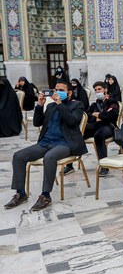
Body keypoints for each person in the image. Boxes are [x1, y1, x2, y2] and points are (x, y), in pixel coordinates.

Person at [4, 81, 87, 211]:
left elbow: (72, 121)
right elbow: (37, 122)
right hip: (46, 142)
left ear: (69, 93)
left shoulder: (77, 105)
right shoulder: (51, 106)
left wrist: (60, 103)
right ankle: (20, 193)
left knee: (49, 157)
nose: (57, 92)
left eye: (61, 90)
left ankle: (45, 196)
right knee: (18, 156)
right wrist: (40, 105)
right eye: (56, 89)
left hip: (65, 143)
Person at [65, 81, 119, 177]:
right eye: (96, 90)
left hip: (108, 126)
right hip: (95, 125)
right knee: (76, 132)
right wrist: (100, 116)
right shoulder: (94, 104)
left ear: (105, 90)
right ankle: (69, 164)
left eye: (99, 89)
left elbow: (111, 116)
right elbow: (87, 116)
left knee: (99, 135)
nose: (97, 91)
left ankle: (104, 166)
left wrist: (98, 114)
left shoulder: (113, 102)